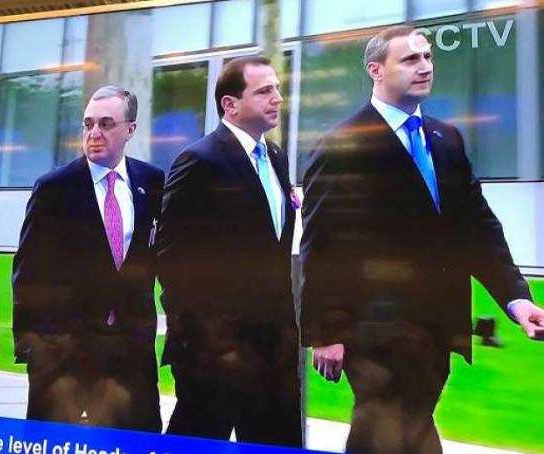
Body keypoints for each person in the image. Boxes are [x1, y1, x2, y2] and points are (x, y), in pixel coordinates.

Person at [300, 25, 544, 454]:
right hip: (372, 332)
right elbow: (322, 244)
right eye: (410, 59)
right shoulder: (342, 144)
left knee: (406, 433)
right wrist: (326, 331)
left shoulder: (446, 138)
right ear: (376, 70)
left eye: (428, 57)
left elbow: (477, 227)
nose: (425, 67)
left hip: (437, 327)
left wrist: (517, 300)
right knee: (388, 429)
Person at [157, 56, 302, 446]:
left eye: (277, 89)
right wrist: (205, 343)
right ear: (230, 105)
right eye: (265, 91)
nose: (278, 98)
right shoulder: (199, 160)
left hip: (274, 352)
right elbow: (172, 261)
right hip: (214, 356)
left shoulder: (276, 157)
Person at [12, 85, 163, 432]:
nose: (94, 133)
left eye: (106, 124)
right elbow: (28, 273)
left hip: (132, 355)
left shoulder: (152, 183)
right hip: (64, 358)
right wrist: (33, 348)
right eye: (88, 124)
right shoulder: (54, 189)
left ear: (130, 129)